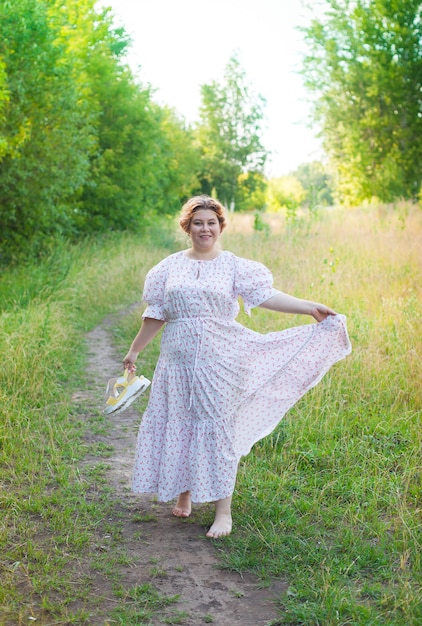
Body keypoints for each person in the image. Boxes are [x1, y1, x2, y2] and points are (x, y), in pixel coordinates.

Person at [123, 195, 351, 539]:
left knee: (217, 430)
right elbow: (157, 313)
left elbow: (266, 296)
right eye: (198, 222)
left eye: (211, 222)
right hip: (176, 363)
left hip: (222, 360)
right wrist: (134, 351)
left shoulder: (233, 266)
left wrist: (308, 307)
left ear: (220, 227)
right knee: (182, 422)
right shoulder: (168, 268)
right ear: (187, 227)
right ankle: (185, 494)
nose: (205, 228)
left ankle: (222, 512)